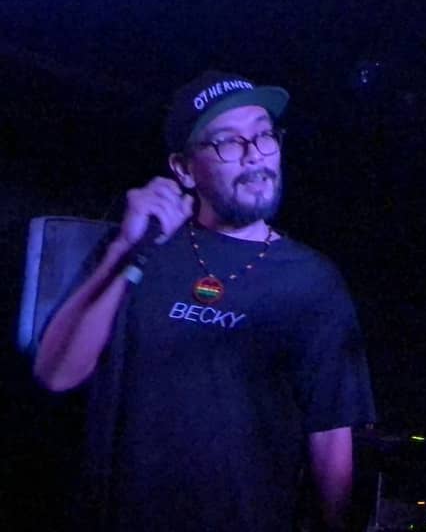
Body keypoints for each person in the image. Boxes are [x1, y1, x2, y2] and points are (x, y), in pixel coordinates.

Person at [33, 71, 376, 531]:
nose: (254, 155)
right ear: (183, 168)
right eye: (228, 142)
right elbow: (56, 374)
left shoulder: (313, 282)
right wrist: (124, 249)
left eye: (263, 136)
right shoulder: (144, 246)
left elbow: (331, 436)